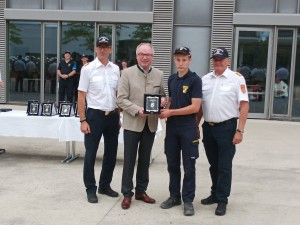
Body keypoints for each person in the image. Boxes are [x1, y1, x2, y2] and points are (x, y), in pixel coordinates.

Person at [198, 47, 249, 216]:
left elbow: (244, 106)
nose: (218, 62)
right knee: (214, 164)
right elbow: (200, 106)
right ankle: (214, 193)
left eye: (221, 59)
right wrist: (195, 126)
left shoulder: (236, 79)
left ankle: (222, 200)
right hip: (209, 127)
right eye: (215, 59)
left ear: (227, 61)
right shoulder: (205, 79)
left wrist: (239, 131)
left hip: (227, 128)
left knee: (225, 166)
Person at [117, 43, 166, 210]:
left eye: (148, 54)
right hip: (132, 123)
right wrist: (138, 110)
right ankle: (127, 194)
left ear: (152, 57)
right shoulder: (127, 73)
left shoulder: (159, 74)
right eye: (142, 54)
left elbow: (162, 96)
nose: (145, 57)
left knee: (145, 161)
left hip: (150, 125)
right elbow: (121, 99)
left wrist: (164, 102)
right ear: (137, 56)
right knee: (129, 160)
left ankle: (141, 191)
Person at [159, 47, 202, 216]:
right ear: (174, 60)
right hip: (172, 128)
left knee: (189, 165)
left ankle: (188, 200)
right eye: (178, 59)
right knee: (172, 164)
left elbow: (195, 107)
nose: (181, 63)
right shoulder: (171, 79)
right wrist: (164, 110)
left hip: (187, 127)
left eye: (184, 59)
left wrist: (172, 112)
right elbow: (171, 100)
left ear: (189, 60)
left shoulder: (195, 80)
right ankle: (174, 196)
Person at [77, 36, 120, 204]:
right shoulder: (88, 69)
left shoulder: (115, 69)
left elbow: (118, 94)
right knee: (91, 154)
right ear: (95, 49)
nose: (103, 49)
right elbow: (81, 96)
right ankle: (90, 188)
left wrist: (118, 115)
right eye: (100, 46)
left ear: (110, 49)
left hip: (112, 116)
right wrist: (83, 120)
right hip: (94, 116)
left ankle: (104, 185)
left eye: (106, 46)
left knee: (111, 153)